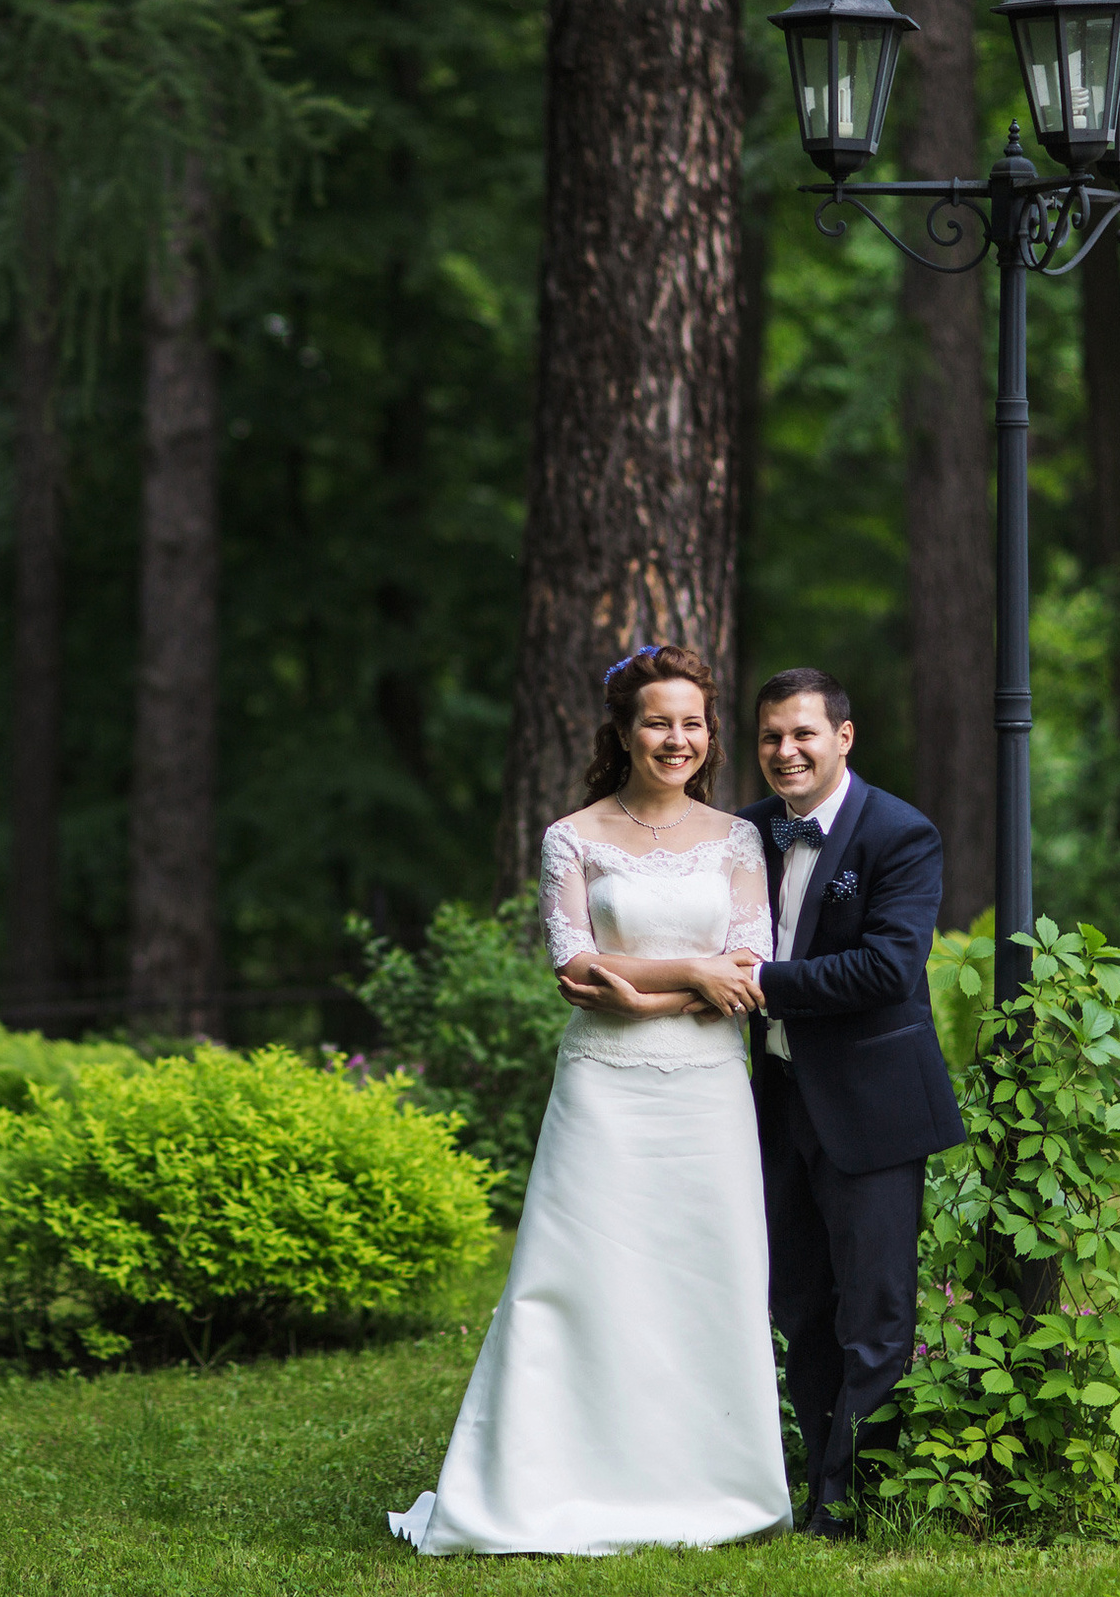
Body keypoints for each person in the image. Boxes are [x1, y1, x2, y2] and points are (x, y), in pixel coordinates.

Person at [388, 644, 792, 1557]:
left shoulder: (738, 839)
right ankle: (550, 1478)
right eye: (658, 720)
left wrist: (651, 992)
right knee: (578, 1276)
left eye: (693, 722)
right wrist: (690, 968)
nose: (676, 738)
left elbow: (749, 967)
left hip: (705, 1095)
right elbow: (574, 962)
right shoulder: (571, 835)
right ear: (622, 731)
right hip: (603, 1093)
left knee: (704, 1275)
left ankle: (714, 1480)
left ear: (710, 733)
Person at [735, 667, 964, 1538]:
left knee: (873, 1315)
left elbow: (887, 968)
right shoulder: (745, 832)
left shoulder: (902, 833)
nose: (785, 751)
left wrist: (759, 982)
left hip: (871, 1107)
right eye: (770, 737)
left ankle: (852, 1502)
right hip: (774, 1102)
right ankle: (814, 1476)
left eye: (802, 734)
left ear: (844, 737)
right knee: (797, 1304)